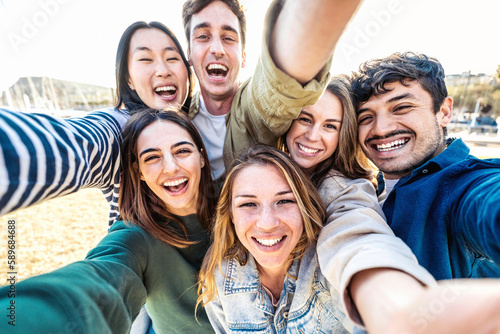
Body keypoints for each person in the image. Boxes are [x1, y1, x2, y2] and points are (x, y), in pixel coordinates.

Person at [0, 109, 217, 333]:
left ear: (201, 157)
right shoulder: (136, 236)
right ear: (138, 171)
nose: (171, 167)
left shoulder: (237, 203)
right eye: (152, 157)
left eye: (182, 151)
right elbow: (101, 284)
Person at [0, 21, 194, 223]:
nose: (163, 70)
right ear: (128, 79)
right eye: (145, 59)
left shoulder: (200, 120)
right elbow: (74, 143)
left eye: (172, 58)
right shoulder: (120, 130)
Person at [351, 52, 500, 280]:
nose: (381, 129)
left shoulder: (465, 187)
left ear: (444, 112)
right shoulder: (364, 190)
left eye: (401, 107)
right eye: (366, 117)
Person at [181, 0, 362, 179]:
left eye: (228, 38)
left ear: (243, 56)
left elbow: (278, 86)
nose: (217, 49)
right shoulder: (179, 113)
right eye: (203, 36)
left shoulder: (252, 106)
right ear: (188, 53)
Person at [197, 144, 354, 333]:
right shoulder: (217, 279)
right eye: (248, 204)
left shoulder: (333, 268)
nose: (267, 223)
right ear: (231, 214)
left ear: (303, 206)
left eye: (284, 201)